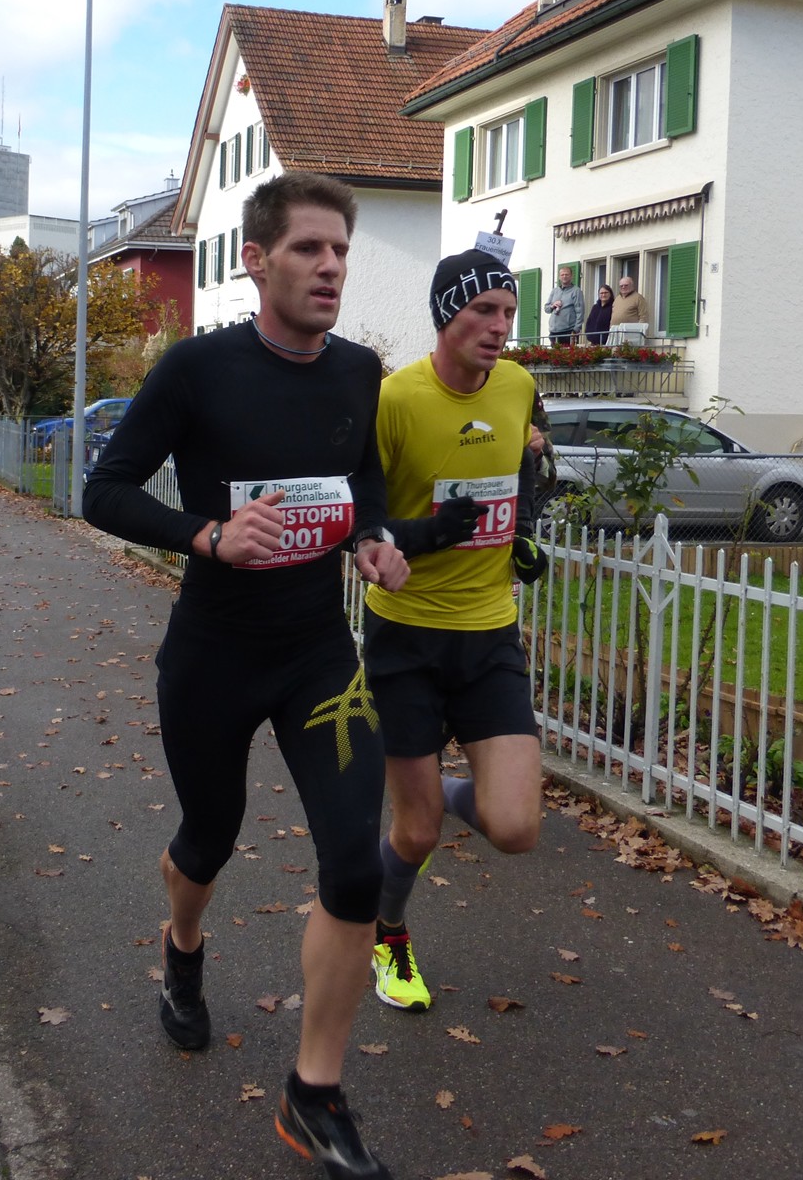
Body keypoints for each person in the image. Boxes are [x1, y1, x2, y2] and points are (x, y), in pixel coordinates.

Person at [86, 170, 410, 1180]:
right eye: (310, 249)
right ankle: (183, 949)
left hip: (320, 656)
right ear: (255, 259)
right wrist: (206, 535)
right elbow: (103, 490)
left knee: (355, 862)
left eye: (341, 251)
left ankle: (313, 1096)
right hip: (214, 657)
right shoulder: (195, 369)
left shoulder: (359, 372)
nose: (331, 267)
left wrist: (375, 540)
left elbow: (363, 483)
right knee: (208, 838)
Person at [364, 246, 549, 1018]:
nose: (500, 326)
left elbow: (531, 462)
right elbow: (360, 521)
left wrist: (527, 529)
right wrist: (424, 535)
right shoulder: (395, 400)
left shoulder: (518, 386)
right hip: (406, 637)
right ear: (448, 314)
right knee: (416, 836)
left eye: (508, 312)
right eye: (483, 311)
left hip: (489, 633)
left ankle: (431, 792)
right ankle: (389, 931)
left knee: (515, 827)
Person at [543, 265, 583, 346]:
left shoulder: (576, 291)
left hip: (568, 331)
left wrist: (576, 329)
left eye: (567, 274)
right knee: (554, 357)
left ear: (571, 276)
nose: (564, 276)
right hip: (554, 331)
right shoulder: (555, 291)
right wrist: (552, 305)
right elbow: (546, 309)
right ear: (559, 277)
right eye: (562, 275)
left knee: (567, 357)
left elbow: (580, 311)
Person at [609, 274, 650, 343]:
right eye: (621, 286)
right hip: (616, 334)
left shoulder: (638, 298)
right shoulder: (617, 299)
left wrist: (639, 333)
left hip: (631, 335)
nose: (623, 287)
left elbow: (643, 316)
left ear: (632, 285)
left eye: (626, 285)